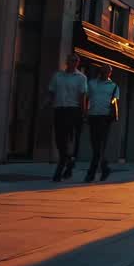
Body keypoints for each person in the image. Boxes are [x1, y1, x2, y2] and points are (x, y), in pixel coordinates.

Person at [45, 53, 88, 182]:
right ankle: (69, 161)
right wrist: (46, 105)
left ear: (78, 63)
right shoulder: (57, 76)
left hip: (73, 111)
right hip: (59, 110)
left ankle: (60, 169)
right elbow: (51, 92)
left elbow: (82, 97)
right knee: (59, 139)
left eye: (75, 61)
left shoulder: (81, 78)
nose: (73, 62)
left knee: (67, 139)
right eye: (71, 60)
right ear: (66, 62)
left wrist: (84, 113)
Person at [83, 64, 120, 181]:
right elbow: (86, 98)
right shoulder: (92, 84)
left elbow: (114, 102)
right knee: (96, 146)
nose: (104, 73)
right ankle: (104, 168)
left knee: (99, 146)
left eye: (107, 71)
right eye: (103, 70)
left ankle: (91, 174)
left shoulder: (114, 86)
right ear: (100, 71)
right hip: (93, 116)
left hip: (105, 118)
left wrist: (115, 115)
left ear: (110, 73)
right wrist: (85, 112)